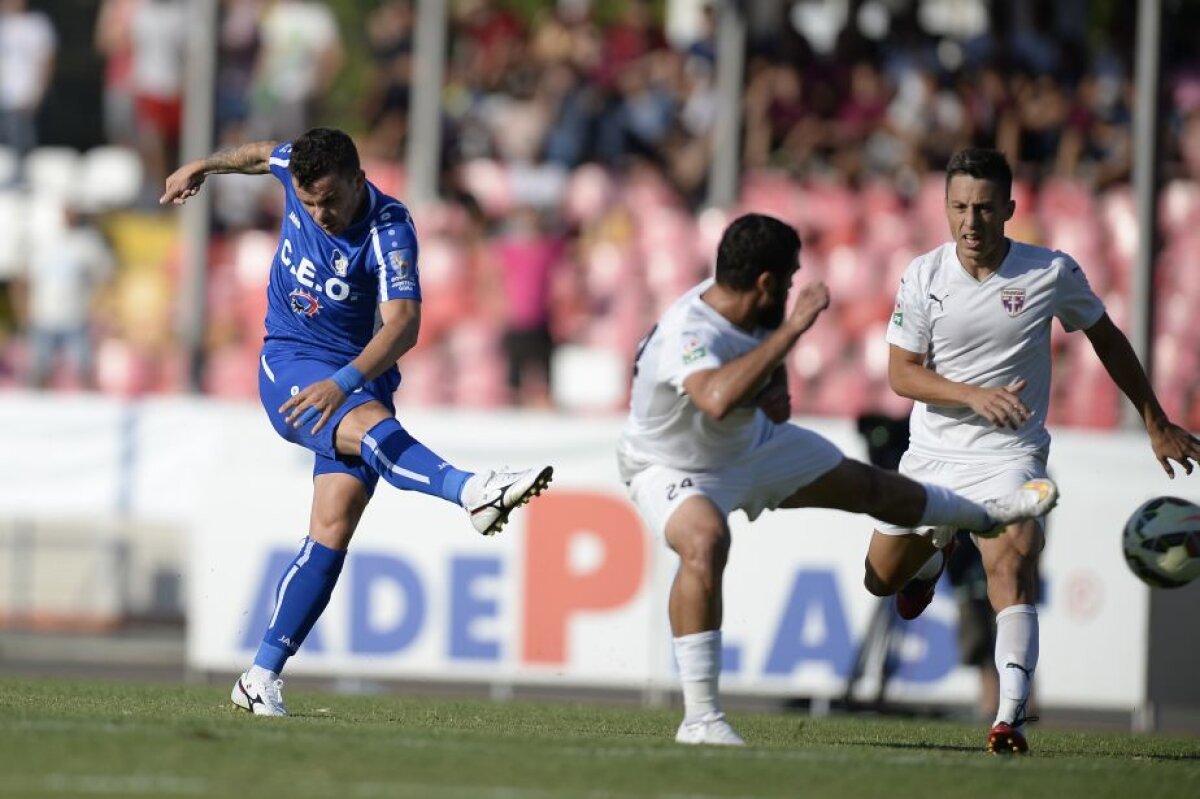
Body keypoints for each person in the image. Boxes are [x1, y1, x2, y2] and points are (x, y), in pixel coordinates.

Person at [616, 212, 1060, 747]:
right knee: (705, 539)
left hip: (748, 445)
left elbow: (756, 365)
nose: (791, 289)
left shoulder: (744, 303)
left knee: (871, 488)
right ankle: (701, 719)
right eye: (787, 280)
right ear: (765, 284)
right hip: (671, 464)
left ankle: (985, 516)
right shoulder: (692, 329)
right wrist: (793, 329)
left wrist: (776, 381)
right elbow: (714, 397)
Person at [160, 127, 552, 716]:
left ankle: (259, 677)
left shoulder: (390, 230)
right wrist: (203, 166)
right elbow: (253, 154)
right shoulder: (294, 166)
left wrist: (343, 382)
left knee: (332, 528)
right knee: (369, 431)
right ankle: (472, 491)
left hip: (349, 377)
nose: (320, 213)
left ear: (359, 180)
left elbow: (404, 326)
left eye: (330, 200)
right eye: (309, 201)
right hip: (290, 361)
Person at [868, 147, 1200, 755]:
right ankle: (928, 558)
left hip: (1008, 454)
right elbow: (902, 374)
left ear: (1010, 210)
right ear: (945, 208)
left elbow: (1107, 338)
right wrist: (972, 396)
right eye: (961, 208)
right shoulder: (922, 275)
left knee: (1012, 568)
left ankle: (1009, 718)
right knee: (877, 579)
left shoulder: (1050, 272)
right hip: (933, 453)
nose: (972, 223)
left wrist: (1155, 420)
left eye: (986, 209)